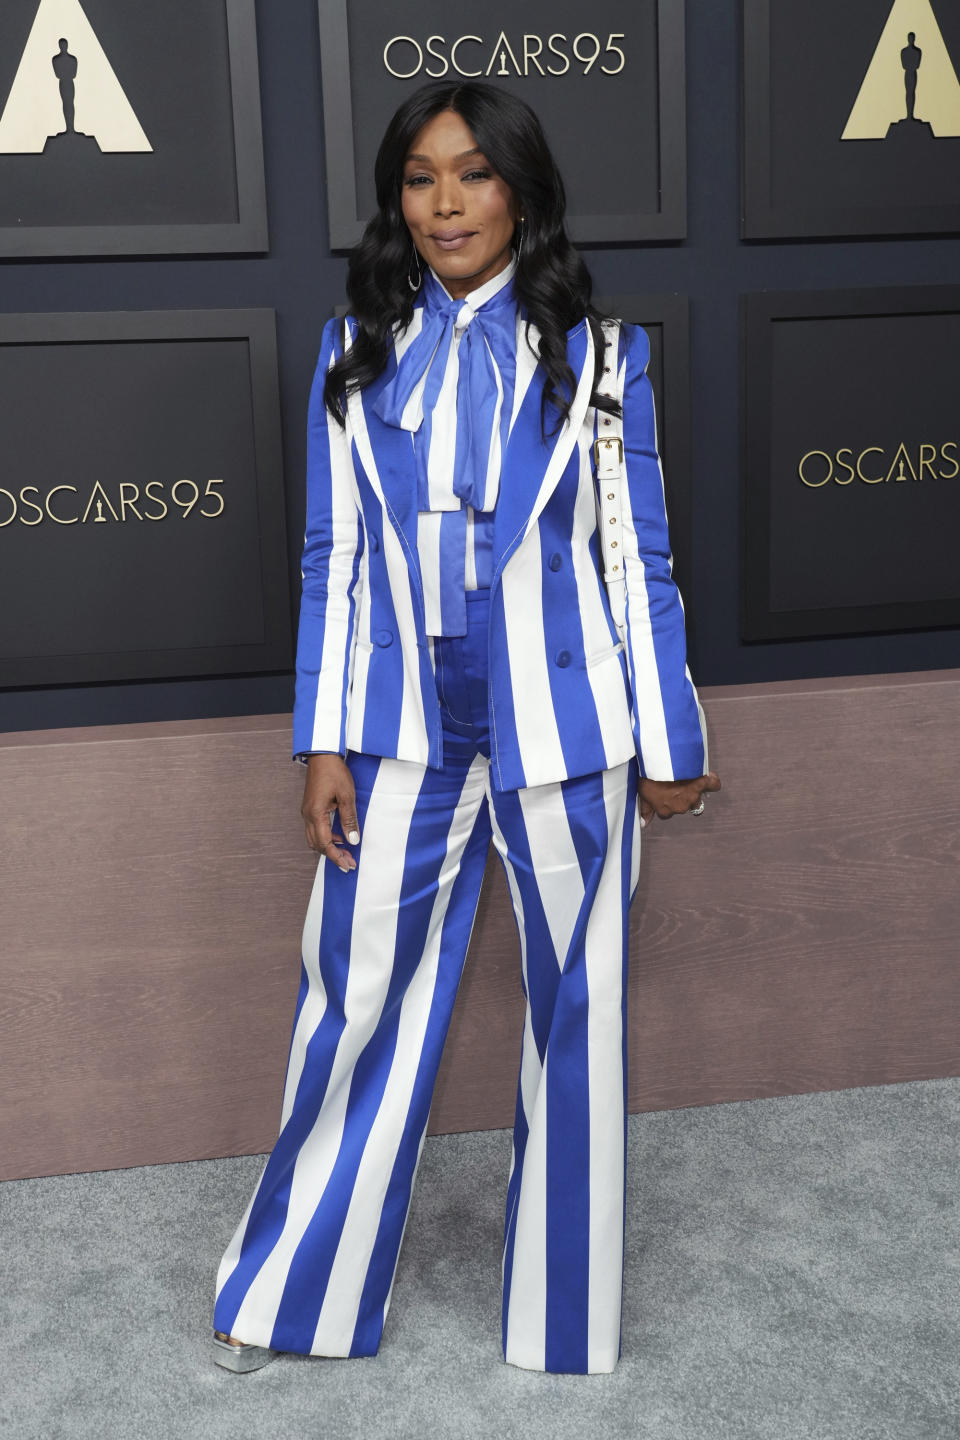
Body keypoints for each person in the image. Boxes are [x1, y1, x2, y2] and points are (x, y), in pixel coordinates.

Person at [212, 79, 720, 1378]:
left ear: (523, 191)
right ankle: (296, 1300)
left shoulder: (605, 356)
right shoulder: (350, 352)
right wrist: (320, 739)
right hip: (399, 720)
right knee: (356, 996)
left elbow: (636, 558)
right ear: (397, 199)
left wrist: (670, 744)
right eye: (421, 177)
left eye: (474, 174)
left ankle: (562, 1325)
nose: (446, 202)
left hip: (567, 722)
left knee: (576, 1010)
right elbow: (333, 560)